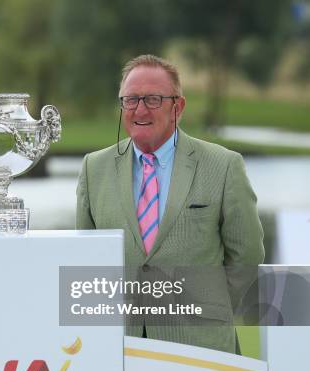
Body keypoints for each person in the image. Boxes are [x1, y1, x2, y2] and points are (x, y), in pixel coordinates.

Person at [76, 54, 264, 353]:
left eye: (152, 99)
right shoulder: (93, 168)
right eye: (131, 99)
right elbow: (87, 261)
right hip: (118, 349)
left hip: (203, 347)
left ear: (178, 106)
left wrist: (208, 307)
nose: (140, 109)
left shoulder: (224, 165)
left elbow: (246, 255)